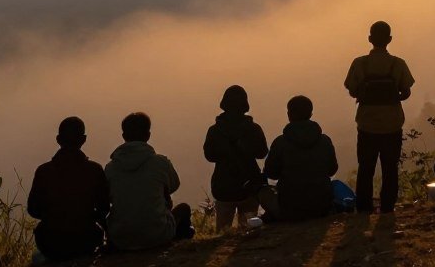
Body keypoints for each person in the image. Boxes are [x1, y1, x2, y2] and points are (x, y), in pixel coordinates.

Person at [344, 20, 415, 213]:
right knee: (390, 168)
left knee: (365, 168)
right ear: (390, 39)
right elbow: (406, 92)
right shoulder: (398, 64)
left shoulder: (359, 63)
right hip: (392, 124)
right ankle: (387, 206)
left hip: (367, 124)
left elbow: (352, 90)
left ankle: (364, 208)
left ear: (370, 39)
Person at [104, 112, 193, 250]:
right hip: (157, 235)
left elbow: (107, 198)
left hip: (121, 237)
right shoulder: (160, 162)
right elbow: (174, 185)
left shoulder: (111, 168)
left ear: (124, 136)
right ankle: (178, 247)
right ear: (148, 135)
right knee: (184, 209)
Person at [26, 116, 110, 261]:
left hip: (50, 242)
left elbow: (33, 209)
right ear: (83, 140)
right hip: (86, 241)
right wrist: (85, 217)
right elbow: (104, 208)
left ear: (58, 139)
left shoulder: (44, 171)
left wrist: (54, 217)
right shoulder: (94, 170)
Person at [260, 95, 339, 221]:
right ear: (311, 114)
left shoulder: (280, 142)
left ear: (289, 114)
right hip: (321, 205)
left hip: (290, 206)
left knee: (262, 191)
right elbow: (332, 170)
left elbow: (271, 173)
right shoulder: (325, 141)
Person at [203, 85, 269, 230]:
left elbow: (209, 155)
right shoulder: (254, 129)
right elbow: (262, 153)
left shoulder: (215, 130)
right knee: (249, 230)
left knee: (222, 232)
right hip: (250, 184)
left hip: (223, 186)